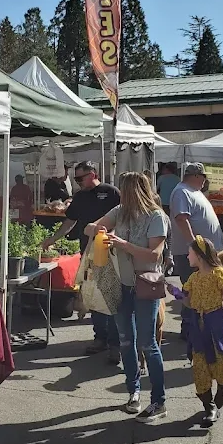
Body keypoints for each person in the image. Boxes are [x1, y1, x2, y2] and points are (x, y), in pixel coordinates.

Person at [85, 172, 169, 424]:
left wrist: (122, 244)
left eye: (124, 189)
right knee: (125, 341)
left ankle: (159, 400)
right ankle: (134, 392)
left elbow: (154, 255)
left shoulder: (156, 217)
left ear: (134, 191)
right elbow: (90, 227)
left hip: (145, 286)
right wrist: (98, 230)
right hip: (121, 284)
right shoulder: (120, 211)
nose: (120, 194)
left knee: (147, 343)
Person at [41, 161, 121, 361]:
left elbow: (123, 219)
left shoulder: (111, 192)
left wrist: (114, 237)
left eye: (80, 178)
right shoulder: (79, 196)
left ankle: (114, 342)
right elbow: (69, 222)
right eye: (75, 179)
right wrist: (51, 240)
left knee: (110, 298)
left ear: (93, 174)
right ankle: (99, 338)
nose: (77, 182)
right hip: (88, 253)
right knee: (93, 296)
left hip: (111, 253)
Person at [166, 236, 223, 427]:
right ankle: (210, 407)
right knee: (199, 368)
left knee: (219, 365)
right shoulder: (193, 278)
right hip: (197, 325)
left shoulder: (219, 274)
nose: (187, 256)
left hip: (215, 324)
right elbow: (189, 302)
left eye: (189, 253)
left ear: (199, 255)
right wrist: (175, 292)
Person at [170, 163, 223, 286]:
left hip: (202, 252)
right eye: (203, 176)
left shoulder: (193, 191)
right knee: (195, 294)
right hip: (193, 254)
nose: (205, 180)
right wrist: (194, 246)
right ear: (195, 175)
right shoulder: (182, 192)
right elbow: (181, 219)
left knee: (205, 294)